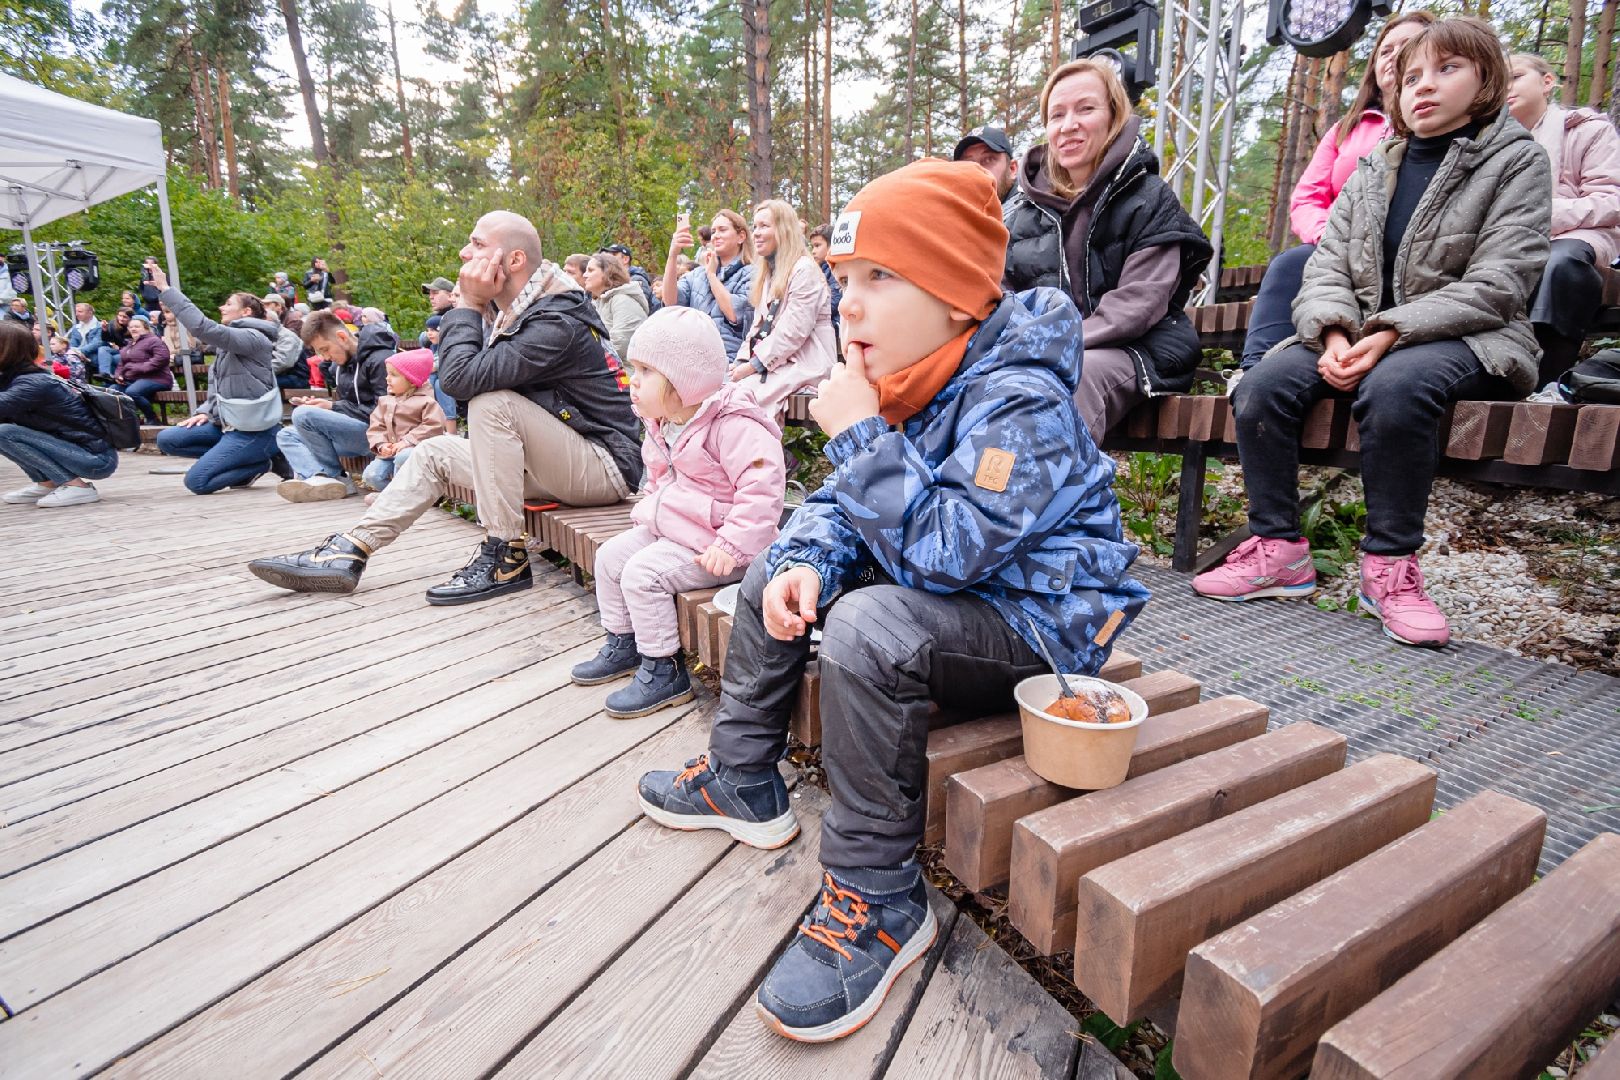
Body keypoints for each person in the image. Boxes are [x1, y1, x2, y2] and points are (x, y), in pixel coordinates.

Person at [635, 160, 1148, 1043]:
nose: (850, 305)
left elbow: (949, 553)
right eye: (843, 281)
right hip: (956, 596)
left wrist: (860, 434)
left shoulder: (1019, 397)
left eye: (880, 279)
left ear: (956, 297)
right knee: (771, 572)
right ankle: (743, 778)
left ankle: (879, 895)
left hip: (1040, 623)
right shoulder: (913, 370)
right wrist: (804, 558)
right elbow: (842, 507)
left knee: (871, 627)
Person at [1194, 17, 1548, 650]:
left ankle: (1389, 566)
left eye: (1447, 69)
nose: (1423, 87)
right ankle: (1280, 549)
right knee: (1262, 386)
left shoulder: (1517, 160)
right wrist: (1331, 334)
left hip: (1471, 334)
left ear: (1487, 77)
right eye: (1411, 76)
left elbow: (1503, 282)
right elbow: (1325, 267)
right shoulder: (1375, 166)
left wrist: (1387, 334)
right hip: (1356, 333)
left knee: (1396, 389)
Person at [248, 211, 643, 605]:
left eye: (477, 244)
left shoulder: (555, 319)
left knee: (492, 403)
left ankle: (506, 556)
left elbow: (459, 381)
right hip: (559, 462)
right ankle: (351, 550)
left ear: (514, 260)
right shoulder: (515, 313)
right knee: (434, 451)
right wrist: (473, 307)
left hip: (602, 466)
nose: (463, 252)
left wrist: (469, 303)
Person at [572, 307, 786, 716]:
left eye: (645, 372)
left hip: (721, 546)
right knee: (609, 557)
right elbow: (659, 478)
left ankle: (663, 669)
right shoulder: (665, 422)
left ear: (683, 381)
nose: (633, 383)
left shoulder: (733, 424)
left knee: (642, 575)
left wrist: (733, 545)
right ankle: (625, 643)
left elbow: (762, 491)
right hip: (676, 529)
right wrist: (649, 511)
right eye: (633, 370)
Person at [1003, 59, 1214, 439]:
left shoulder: (1149, 197)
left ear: (1114, 115)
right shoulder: (1021, 213)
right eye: (1057, 115)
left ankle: (1056, 495)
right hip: (1042, 349)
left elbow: (1138, 306)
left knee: (1070, 378)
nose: (1069, 125)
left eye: (1086, 109)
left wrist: (1051, 343)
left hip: (1135, 350)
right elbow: (1001, 297)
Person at [1240, 11, 1437, 375]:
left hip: (1408, 253)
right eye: (1385, 50)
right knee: (1291, 263)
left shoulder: (1441, 129)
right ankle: (1253, 371)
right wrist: (1332, 236)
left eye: (1406, 46)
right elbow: (1306, 198)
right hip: (1336, 247)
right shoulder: (1346, 130)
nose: (1393, 56)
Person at [1507, 51, 1620, 388]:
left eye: (1515, 76)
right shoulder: (1490, 144)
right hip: (1510, 242)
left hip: (1581, 236)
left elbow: (1613, 199)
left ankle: (1547, 383)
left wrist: (1543, 218)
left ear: (1547, 82)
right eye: (1499, 82)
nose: (1506, 88)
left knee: (1561, 263)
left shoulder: (1588, 130)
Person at [150, 275, 285, 493]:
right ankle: (241, 458)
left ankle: (264, 462)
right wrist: (206, 411)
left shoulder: (252, 337)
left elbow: (202, 328)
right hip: (225, 425)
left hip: (253, 431)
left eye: (229, 303)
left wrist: (166, 289)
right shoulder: (228, 344)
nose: (222, 307)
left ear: (246, 312)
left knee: (197, 482)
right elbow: (217, 387)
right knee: (168, 439)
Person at [276, 308, 397, 501]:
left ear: (341, 337)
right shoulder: (338, 366)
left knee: (303, 415)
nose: (324, 357)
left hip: (380, 437)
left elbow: (384, 413)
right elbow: (348, 404)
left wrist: (332, 408)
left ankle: (333, 476)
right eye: (318, 352)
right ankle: (321, 478)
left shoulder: (379, 359)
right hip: (355, 432)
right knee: (286, 435)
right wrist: (324, 405)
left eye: (324, 349)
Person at [732, 199, 837, 415]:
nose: (756, 234)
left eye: (764, 226)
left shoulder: (804, 270)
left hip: (806, 363)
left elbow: (793, 332)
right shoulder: (769, 275)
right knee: (727, 392)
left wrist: (752, 365)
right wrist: (739, 362)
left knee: (742, 401)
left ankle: (762, 448)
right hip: (780, 363)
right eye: (755, 227)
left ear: (783, 229)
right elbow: (757, 328)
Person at [0, 321, 119, 507]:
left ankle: (77, 487)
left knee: (4, 432)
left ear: (6, 351)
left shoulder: (32, 383)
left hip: (95, 458)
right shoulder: (13, 378)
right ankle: (47, 483)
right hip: (72, 450)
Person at [661, 209, 756, 361]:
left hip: (729, 360)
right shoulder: (697, 274)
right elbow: (670, 302)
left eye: (722, 230)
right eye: (713, 231)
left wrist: (711, 275)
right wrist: (673, 255)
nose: (716, 235)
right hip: (691, 357)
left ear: (741, 237)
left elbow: (735, 314)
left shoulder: (752, 273)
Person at [361, 347, 448, 497]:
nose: (387, 378)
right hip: (390, 452)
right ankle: (394, 496)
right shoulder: (385, 401)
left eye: (393, 375)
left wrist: (407, 441)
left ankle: (398, 499)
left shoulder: (426, 402)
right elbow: (376, 427)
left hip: (415, 451)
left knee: (403, 457)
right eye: (388, 374)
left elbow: (434, 425)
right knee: (371, 475)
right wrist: (382, 445)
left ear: (412, 381)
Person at [584, 252, 650, 359]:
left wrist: (586, 357)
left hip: (626, 371)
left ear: (607, 273)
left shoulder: (623, 299)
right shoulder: (598, 301)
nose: (584, 275)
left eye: (590, 270)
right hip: (607, 368)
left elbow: (622, 345)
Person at [112, 316, 172, 425]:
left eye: (137, 326)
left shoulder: (154, 340)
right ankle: (133, 419)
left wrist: (138, 368)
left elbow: (161, 358)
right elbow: (122, 363)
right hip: (134, 379)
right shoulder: (130, 344)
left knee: (132, 392)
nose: (133, 329)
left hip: (157, 378)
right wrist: (118, 375)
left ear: (146, 328)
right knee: (113, 390)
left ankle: (152, 418)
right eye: (131, 327)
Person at [953, 124, 1017, 201]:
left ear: (1012, 169)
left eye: (988, 160)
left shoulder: (1032, 208)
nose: (976, 171)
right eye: (968, 164)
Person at [261, 293, 311, 390]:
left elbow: (284, 362)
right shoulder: (269, 333)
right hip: (282, 373)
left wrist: (258, 372)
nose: (264, 307)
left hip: (295, 376)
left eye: (267, 304)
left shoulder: (289, 329)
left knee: (257, 382)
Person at [601, 242, 662, 312]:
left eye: (613, 255)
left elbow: (637, 309)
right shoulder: (613, 281)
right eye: (608, 256)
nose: (608, 259)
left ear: (625, 259)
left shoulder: (636, 279)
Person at [808, 224, 842, 335]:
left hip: (833, 329)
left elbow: (833, 302)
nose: (813, 251)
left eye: (817, 246)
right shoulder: (820, 269)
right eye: (812, 246)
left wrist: (810, 315)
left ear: (831, 246)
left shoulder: (836, 269)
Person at [69, 303, 118, 381]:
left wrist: (79, 352)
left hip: (96, 355)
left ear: (90, 313)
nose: (77, 314)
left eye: (80, 312)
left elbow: (97, 343)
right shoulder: (76, 328)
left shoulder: (99, 326)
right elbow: (73, 344)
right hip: (80, 356)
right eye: (76, 312)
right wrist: (74, 352)